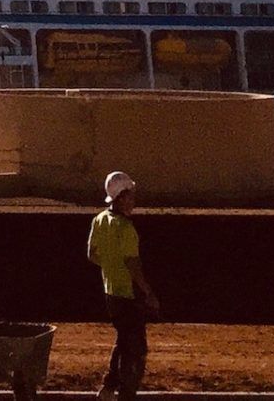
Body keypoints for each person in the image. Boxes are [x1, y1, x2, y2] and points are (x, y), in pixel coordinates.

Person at [88, 170, 159, 401]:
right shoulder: (126, 229)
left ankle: (108, 387)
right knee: (136, 350)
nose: (134, 199)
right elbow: (133, 263)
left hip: (111, 294)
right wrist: (148, 292)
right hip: (129, 295)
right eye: (130, 195)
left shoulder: (99, 220)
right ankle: (125, 395)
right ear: (121, 197)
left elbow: (92, 254)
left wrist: (110, 265)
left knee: (123, 340)